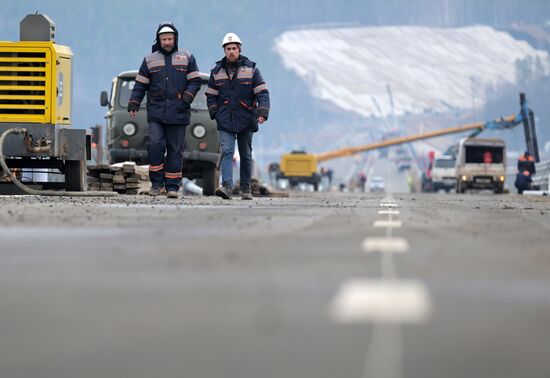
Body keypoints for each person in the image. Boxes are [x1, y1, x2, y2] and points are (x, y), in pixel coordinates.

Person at [127, 22, 201, 198]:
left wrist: (187, 98)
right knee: (155, 145)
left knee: (175, 149)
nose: (167, 42)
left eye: (170, 38)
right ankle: (156, 184)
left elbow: (195, 81)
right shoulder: (150, 60)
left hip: (179, 111)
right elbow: (140, 84)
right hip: (156, 112)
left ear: (175, 39)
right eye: (164, 39)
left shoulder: (187, 57)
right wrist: (134, 102)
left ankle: (173, 187)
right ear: (158, 40)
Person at [206, 33, 270, 200]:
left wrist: (262, 112)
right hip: (225, 118)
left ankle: (245, 188)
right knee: (227, 151)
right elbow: (211, 95)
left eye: (234, 48)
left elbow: (262, 93)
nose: (231, 51)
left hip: (246, 117)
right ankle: (226, 186)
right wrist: (215, 112)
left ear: (239, 49)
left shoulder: (252, 70)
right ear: (224, 50)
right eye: (228, 49)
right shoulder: (216, 71)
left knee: (246, 154)